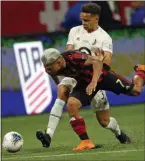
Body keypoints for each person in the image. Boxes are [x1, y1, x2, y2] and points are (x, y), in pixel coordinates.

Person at [36, 3, 144, 151]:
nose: (83, 23)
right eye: (82, 20)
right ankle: (63, 137)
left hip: (98, 76)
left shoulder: (104, 38)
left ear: (96, 19)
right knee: (67, 97)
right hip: (78, 76)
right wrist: (71, 68)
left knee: (108, 118)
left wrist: (95, 71)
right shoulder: (74, 31)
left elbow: (106, 63)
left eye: (87, 20)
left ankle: (141, 72)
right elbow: (67, 53)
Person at [36, 48, 145, 150]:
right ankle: (86, 142)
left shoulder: (75, 57)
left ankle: (141, 72)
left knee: (135, 91)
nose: (47, 70)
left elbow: (97, 62)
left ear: (59, 62)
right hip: (85, 83)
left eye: (49, 68)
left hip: (102, 77)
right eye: (45, 67)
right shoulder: (52, 68)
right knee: (71, 104)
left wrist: (93, 82)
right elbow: (53, 73)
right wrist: (58, 84)